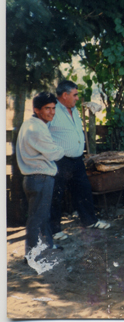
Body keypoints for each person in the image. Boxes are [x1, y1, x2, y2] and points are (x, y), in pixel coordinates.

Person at [49, 80, 110, 240]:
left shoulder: (73, 109)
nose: (77, 98)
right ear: (64, 95)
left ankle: (90, 221)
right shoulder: (52, 110)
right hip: (59, 161)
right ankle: (54, 231)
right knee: (56, 194)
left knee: (83, 190)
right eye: (75, 95)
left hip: (76, 160)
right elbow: (42, 134)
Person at [16, 92, 66, 256]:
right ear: (37, 110)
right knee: (37, 218)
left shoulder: (31, 124)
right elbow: (53, 153)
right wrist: (61, 149)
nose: (51, 112)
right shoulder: (36, 129)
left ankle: (47, 246)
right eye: (47, 108)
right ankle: (32, 255)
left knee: (43, 215)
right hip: (40, 178)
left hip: (36, 177)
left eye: (53, 108)